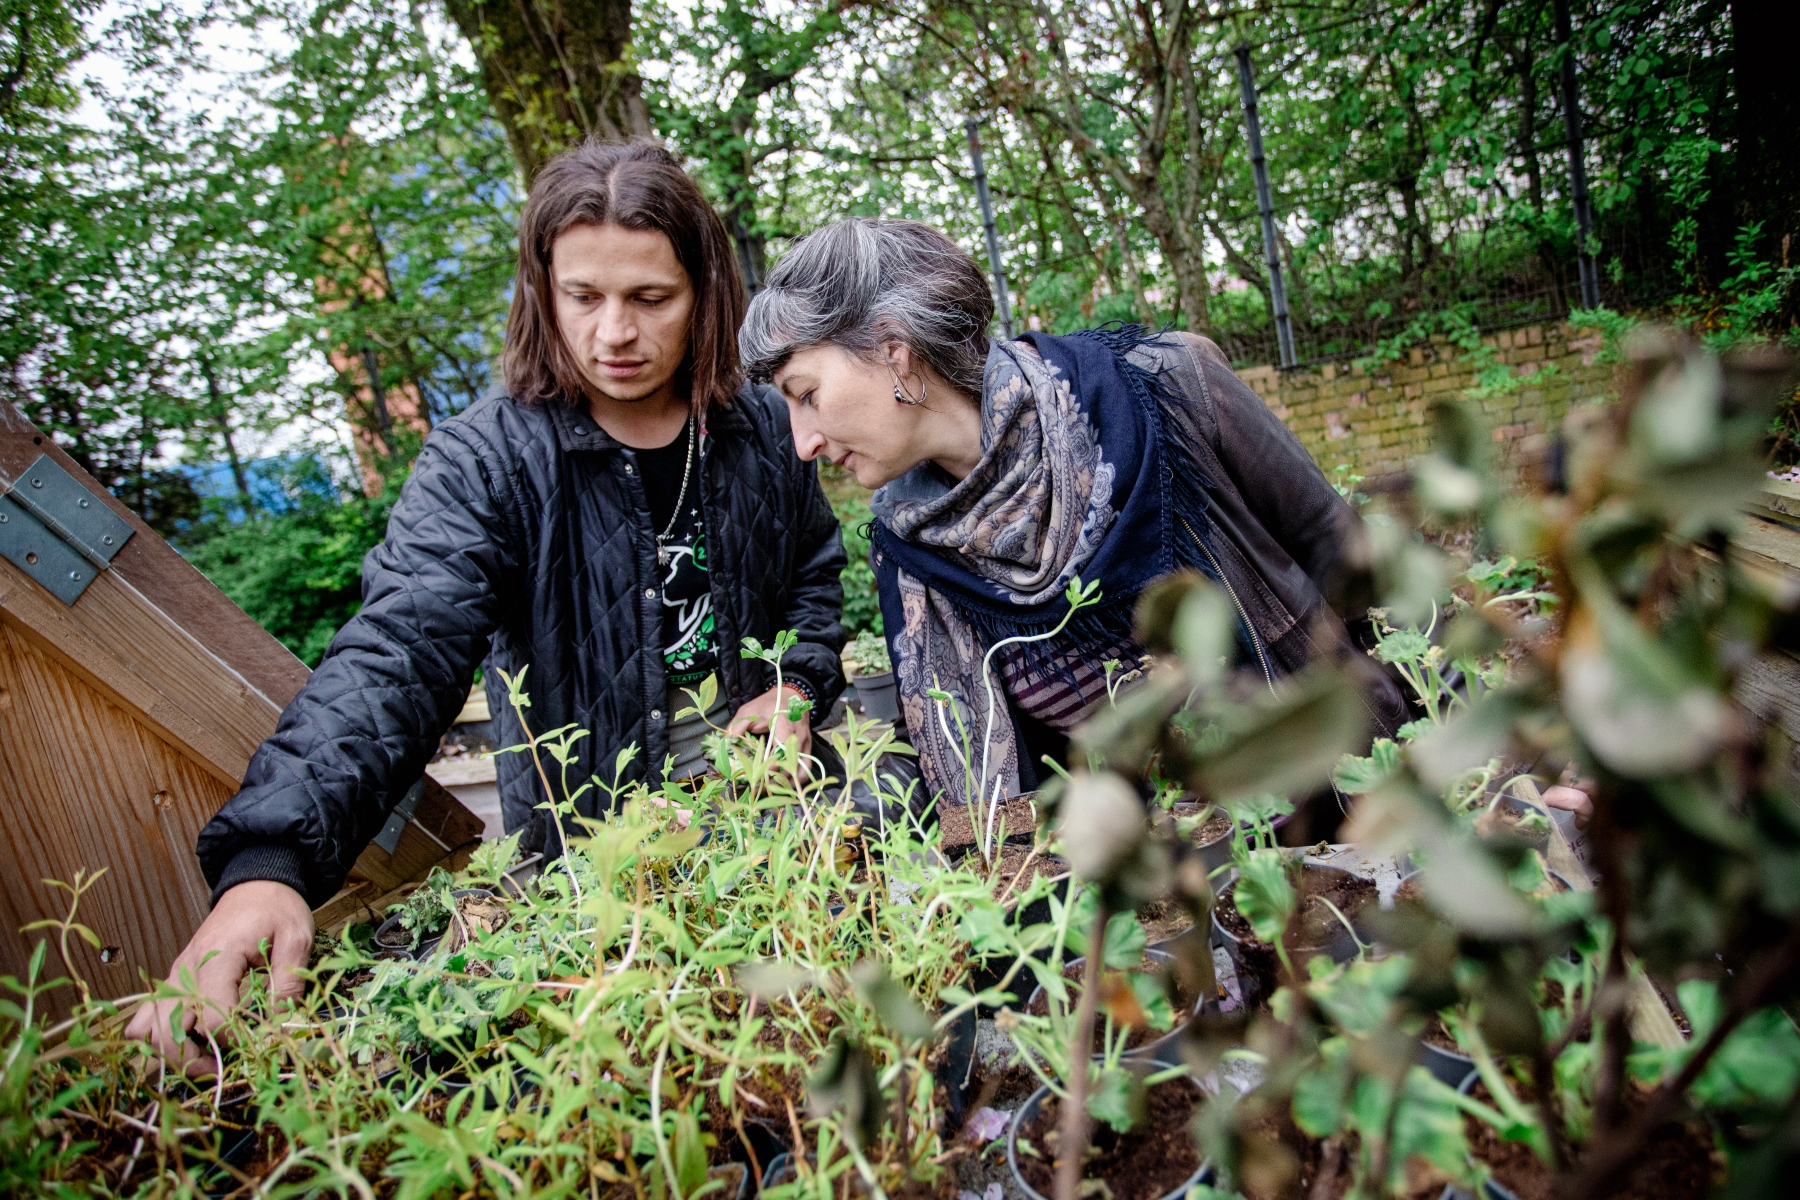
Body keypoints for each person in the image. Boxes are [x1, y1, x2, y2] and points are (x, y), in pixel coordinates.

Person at [127, 140, 847, 1065]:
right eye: (583, 297)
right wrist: (272, 862)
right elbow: (397, 651)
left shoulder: (761, 429)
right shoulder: (488, 462)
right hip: (596, 855)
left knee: (787, 1054)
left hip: (771, 824)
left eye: (649, 299)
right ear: (542, 290)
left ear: (704, 293)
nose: (613, 334)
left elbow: (814, 580)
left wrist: (795, 682)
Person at [738, 217, 1406, 810]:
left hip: (1339, 819)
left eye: (807, 394)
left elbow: (1350, 566)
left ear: (894, 350)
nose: (803, 443)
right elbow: (949, 751)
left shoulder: (1166, 392)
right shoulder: (911, 549)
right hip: (1146, 897)